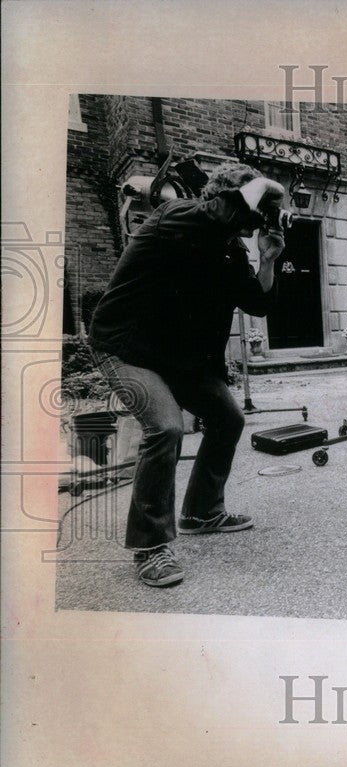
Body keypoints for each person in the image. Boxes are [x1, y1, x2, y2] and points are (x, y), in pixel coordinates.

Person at [88, 163, 286, 586]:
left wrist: (268, 259)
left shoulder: (230, 249)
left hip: (180, 359)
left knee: (228, 419)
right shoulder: (175, 215)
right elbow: (220, 213)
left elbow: (259, 303)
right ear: (225, 199)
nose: (253, 223)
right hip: (127, 348)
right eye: (253, 211)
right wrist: (269, 185)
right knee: (165, 427)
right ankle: (149, 546)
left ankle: (201, 511)